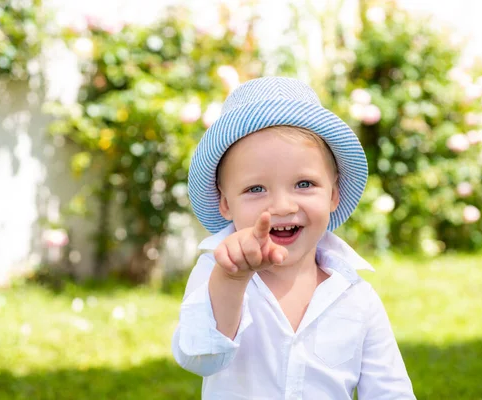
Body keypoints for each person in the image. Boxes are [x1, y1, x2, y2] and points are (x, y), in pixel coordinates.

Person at [171, 76, 415, 399]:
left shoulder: (355, 296)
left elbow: (391, 392)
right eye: (256, 189)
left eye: (304, 184)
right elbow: (200, 356)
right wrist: (231, 280)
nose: (283, 206)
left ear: (334, 194)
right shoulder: (215, 270)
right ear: (226, 203)